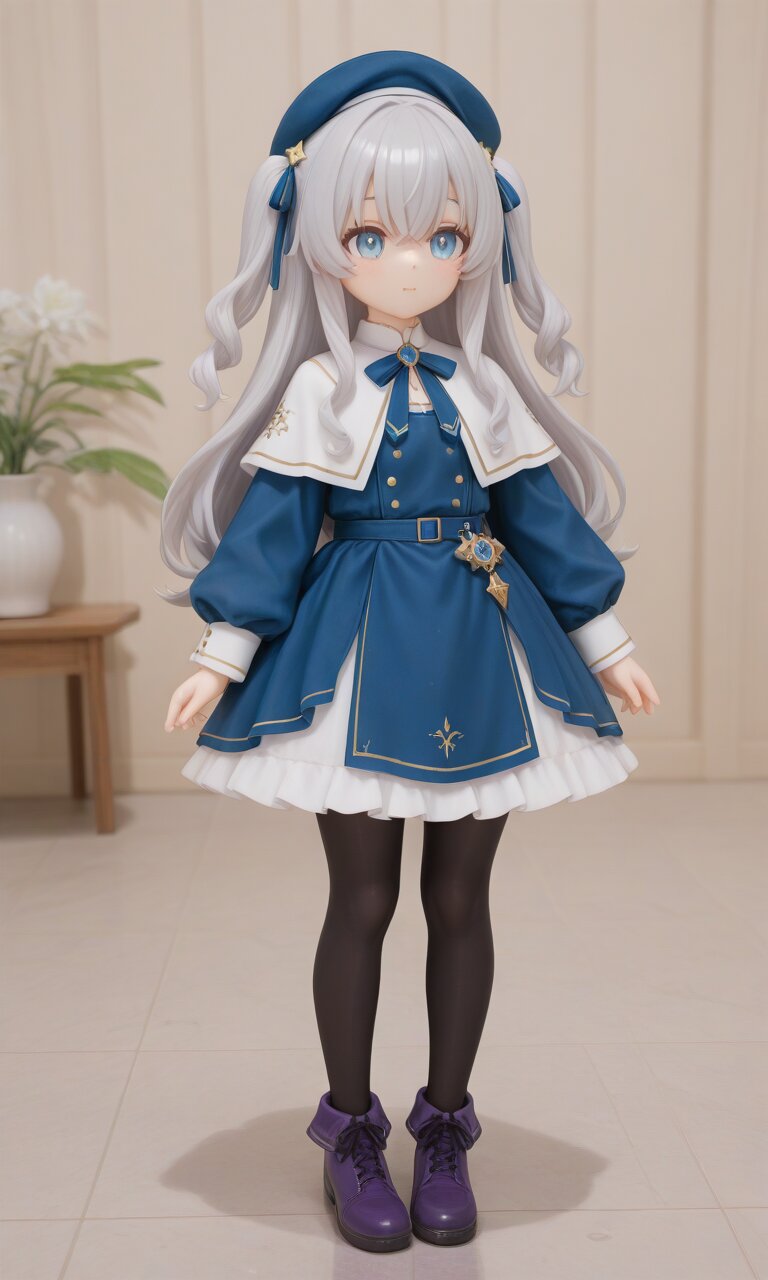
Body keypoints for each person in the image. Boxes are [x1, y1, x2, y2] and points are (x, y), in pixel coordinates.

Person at [160, 50, 660, 1253]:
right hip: (359, 647)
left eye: (443, 237)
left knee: (461, 897)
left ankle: (444, 1122)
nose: (409, 263)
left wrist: (606, 639)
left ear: (478, 241)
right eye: (371, 235)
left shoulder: (486, 389)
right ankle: (348, 1127)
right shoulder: (319, 393)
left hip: (480, 644)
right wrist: (223, 651)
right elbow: (274, 531)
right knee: (364, 895)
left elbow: (542, 522)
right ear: (321, 241)